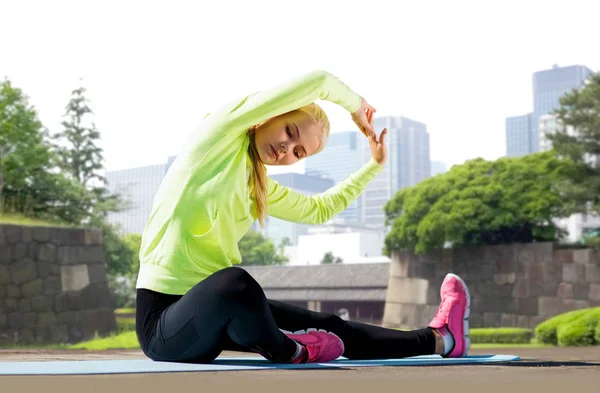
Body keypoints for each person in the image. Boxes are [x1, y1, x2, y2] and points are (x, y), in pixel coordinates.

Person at [135, 70, 470, 364]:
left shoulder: (258, 186)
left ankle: (442, 339)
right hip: (163, 325)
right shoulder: (218, 136)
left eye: (299, 152)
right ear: (271, 115)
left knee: (328, 326)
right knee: (235, 283)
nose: (287, 149)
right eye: (290, 131)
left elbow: (319, 209)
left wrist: (374, 167)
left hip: (216, 316)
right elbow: (319, 80)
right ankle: (290, 351)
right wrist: (356, 107)